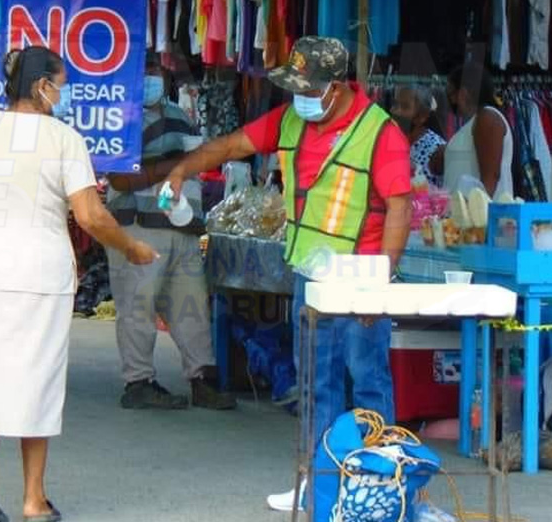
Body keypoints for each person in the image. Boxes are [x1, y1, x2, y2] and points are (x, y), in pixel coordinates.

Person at [163, 37, 412, 512]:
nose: (298, 95)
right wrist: (182, 170)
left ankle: (380, 488)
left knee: (368, 382)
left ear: (336, 88)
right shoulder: (292, 118)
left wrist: (381, 285)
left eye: (307, 87)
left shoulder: (380, 133)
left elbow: (400, 206)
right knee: (314, 382)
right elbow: (234, 144)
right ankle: (316, 484)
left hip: (361, 280)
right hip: (310, 278)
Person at [0, 46, 157, 522]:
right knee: (37, 381)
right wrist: (131, 248)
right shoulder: (64, 139)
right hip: (40, 270)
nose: (65, 93)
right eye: (61, 83)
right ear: (42, 87)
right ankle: (33, 500)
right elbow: (91, 216)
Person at [104, 59, 236, 411]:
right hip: (138, 226)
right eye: (144, 70)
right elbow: (120, 179)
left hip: (183, 225)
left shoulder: (178, 113)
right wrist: (180, 165)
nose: (152, 77)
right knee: (137, 305)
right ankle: (138, 382)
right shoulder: (118, 114)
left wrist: (190, 163)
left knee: (192, 307)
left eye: (156, 71)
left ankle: (202, 378)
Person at [443, 64, 513, 199]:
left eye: (451, 94)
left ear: (463, 93)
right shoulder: (474, 122)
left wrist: (475, 212)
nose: (450, 100)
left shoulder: (487, 118)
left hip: (480, 217)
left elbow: (490, 179)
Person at [389, 85, 446, 187]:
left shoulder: (437, 149)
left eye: (405, 107)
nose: (396, 111)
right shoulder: (387, 140)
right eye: (395, 105)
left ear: (422, 116)